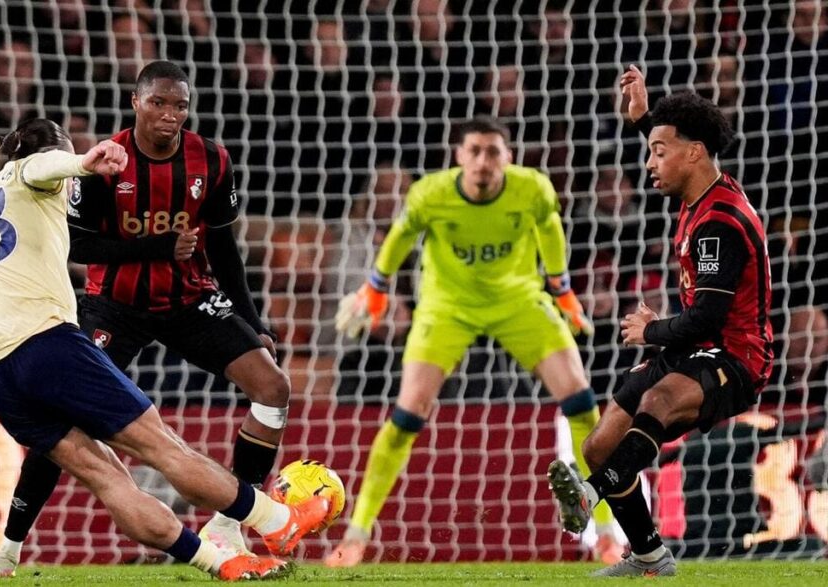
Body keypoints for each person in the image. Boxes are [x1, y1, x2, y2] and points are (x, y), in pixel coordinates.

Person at [0, 118, 329, 581]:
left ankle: (222, 561)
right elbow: (44, 167)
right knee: (164, 449)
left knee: (106, 476)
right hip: (46, 344)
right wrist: (83, 162)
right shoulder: (39, 170)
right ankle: (278, 521)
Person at [327, 117, 619, 567]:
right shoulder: (431, 194)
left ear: (508, 156)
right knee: (407, 416)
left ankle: (605, 534)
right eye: (475, 151)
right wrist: (376, 287)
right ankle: (357, 535)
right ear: (459, 156)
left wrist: (561, 289)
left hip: (519, 300)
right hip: (447, 307)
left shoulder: (532, 188)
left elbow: (549, 227)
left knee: (582, 402)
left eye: (493, 151)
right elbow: (402, 234)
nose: (484, 160)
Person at [547, 65, 774, 577]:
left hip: (736, 359)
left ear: (693, 152)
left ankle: (588, 496)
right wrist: (643, 117)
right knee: (599, 444)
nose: (650, 162)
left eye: (658, 151)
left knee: (658, 400)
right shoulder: (700, 188)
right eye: (651, 148)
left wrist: (650, 330)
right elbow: (677, 142)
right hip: (695, 351)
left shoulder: (719, 223)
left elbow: (707, 317)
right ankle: (650, 554)